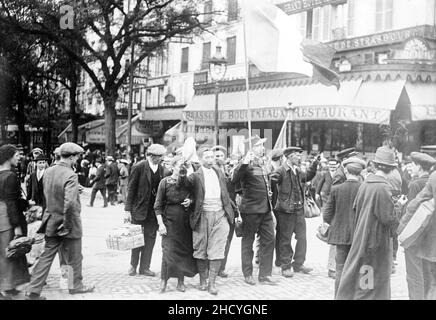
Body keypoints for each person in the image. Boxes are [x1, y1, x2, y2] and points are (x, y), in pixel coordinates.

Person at [26, 142, 95, 300]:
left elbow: (49, 195)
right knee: (75, 256)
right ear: (71, 157)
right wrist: (67, 223)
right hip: (67, 223)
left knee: (46, 256)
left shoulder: (49, 171)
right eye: (76, 157)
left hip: (51, 220)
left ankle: (33, 289)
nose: (77, 160)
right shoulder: (71, 174)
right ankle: (74, 286)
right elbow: (70, 203)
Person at [336, 146, 398, 300]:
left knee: (363, 282)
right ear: (391, 169)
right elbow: (388, 219)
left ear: (375, 165)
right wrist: (399, 209)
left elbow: (356, 208)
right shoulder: (383, 188)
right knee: (371, 287)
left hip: (362, 239)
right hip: (375, 244)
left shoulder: (365, 184)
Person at [187, 147, 234, 295]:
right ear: (201, 159)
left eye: (211, 157)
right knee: (201, 248)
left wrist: (233, 212)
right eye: (206, 157)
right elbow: (187, 190)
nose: (210, 160)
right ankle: (203, 279)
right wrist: (189, 200)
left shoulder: (219, 172)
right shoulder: (195, 176)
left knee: (218, 248)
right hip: (202, 214)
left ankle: (212, 283)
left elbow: (227, 193)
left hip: (220, 214)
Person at [232, 135, 275, 286]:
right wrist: (244, 162)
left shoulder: (261, 164)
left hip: (265, 209)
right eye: (258, 146)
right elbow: (234, 178)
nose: (262, 148)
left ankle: (264, 274)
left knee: (269, 240)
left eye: (262, 146)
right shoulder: (245, 164)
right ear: (251, 149)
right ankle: (248, 273)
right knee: (248, 241)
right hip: (250, 210)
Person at [270, 147, 319, 278]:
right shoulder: (280, 171)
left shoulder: (297, 171)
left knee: (302, 237)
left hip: (298, 210)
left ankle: (299, 263)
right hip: (285, 211)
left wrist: (314, 164)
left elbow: (308, 176)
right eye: (297, 156)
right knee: (285, 239)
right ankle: (285, 266)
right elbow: (271, 181)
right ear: (290, 157)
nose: (299, 158)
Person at [322, 156, 365, 297]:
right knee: (358, 268)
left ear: (346, 171)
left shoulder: (336, 189)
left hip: (340, 235)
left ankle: (339, 297)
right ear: (360, 173)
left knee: (340, 267)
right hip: (359, 235)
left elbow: (326, 215)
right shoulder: (364, 189)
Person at [154, 156, 197, 293]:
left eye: (183, 165)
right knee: (168, 251)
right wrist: (161, 224)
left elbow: (194, 196)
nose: (181, 168)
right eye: (179, 165)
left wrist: (190, 201)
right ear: (172, 167)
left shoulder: (187, 182)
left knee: (183, 251)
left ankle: (181, 281)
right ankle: (163, 281)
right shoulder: (164, 182)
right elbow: (157, 206)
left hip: (184, 222)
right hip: (169, 221)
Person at [124, 144, 168, 277]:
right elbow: (131, 189)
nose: (158, 159)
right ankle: (133, 265)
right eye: (155, 157)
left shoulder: (162, 169)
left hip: (154, 212)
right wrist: (127, 210)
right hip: (139, 209)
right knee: (137, 239)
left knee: (150, 239)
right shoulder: (139, 167)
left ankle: (145, 267)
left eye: (160, 157)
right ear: (149, 155)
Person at [397, 152, 436, 300]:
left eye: (412, 164)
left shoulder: (421, 182)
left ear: (419, 167)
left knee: (420, 279)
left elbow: (413, 206)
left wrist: (401, 230)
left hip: (422, 238)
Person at [0, 144, 30, 300]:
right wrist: (17, 226)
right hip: (6, 219)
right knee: (8, 253)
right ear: (9, 157)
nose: (19, 158)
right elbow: (11, 203)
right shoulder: (10, 176)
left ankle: (8, 286)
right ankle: (5, 289)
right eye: (17, 155)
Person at [213, 145, 236, 278]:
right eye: (216, 156)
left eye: (221, 156)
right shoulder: (212, 171)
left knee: (228, 239)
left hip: (230, 209)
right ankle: (215, 268)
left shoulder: (228, 170)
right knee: (219, 240)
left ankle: (222, 267)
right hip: (218, 209)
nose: (219, 158)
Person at [268, 149, 284, 267]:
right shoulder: (272, 171)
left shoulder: (269, 169)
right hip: (273, 207)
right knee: (274, 235)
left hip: (273, 206)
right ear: (280, 158)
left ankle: (278, 259)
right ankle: (277, 259)